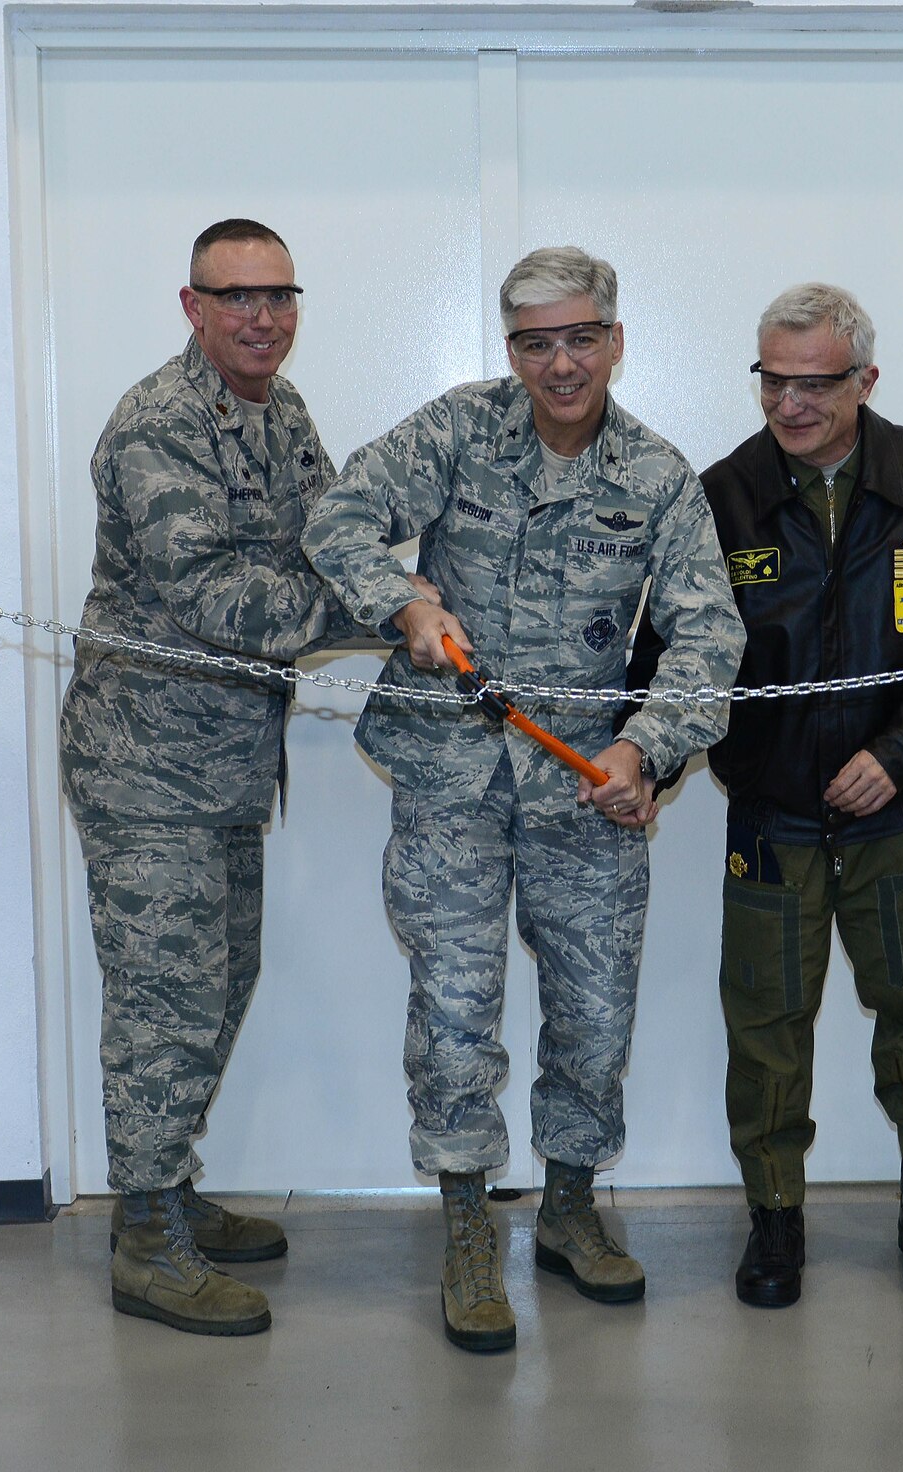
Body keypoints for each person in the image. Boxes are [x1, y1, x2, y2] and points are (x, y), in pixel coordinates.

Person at [303, 246, 745, 1353]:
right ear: (510, 349)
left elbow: (709, 630)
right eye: (534, 342)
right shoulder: (457, 430)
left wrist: (647, 748)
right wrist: (402, 599)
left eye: (579, 338)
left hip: (584, 786)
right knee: (453, 1015)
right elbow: (337, 517)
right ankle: (465, 1225)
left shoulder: (653, 473)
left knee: (594, 1017)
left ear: (615, 340)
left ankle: (565, 1206)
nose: (559, 363)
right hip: (449, 778)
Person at [633, 282, 903, 1307]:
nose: (790, 403)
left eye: (815, 382)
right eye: (773, 380)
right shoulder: (720, 496)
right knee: (764, 1029)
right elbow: (670, 659)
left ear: (864, 379)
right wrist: (646, 765)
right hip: (771, 819)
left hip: (899, 818)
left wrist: (899, 752)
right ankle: (773, 1216)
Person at [59, 218, 372, 1337]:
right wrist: (392, 610)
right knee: (163, 1002)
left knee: (218, 981)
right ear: (190, 306)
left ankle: (168, 1188)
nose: (261, 317)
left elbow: (330, 536)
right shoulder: (160, 423)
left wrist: (389, 571)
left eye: (280, 296)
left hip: (230, 764)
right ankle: (144, 1236)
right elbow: (227, 603)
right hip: (146, 768)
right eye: (236, 297)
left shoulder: (280, 413)